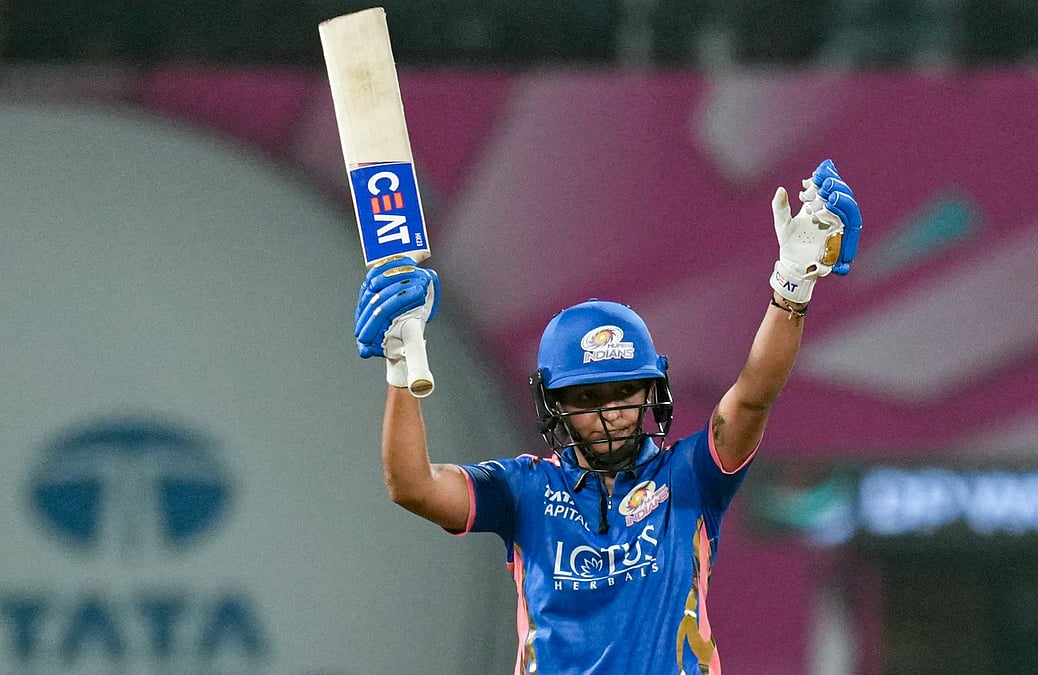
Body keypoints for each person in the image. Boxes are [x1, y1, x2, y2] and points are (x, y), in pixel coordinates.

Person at [353, 160, 862, 674]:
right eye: (587, 398)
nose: (611, 413)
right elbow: (412, 486)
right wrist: (401, 366)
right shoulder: (523, 490)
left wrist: (792, 288)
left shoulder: (690, 477)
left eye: (624, 391)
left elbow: (753, 397)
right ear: (554, 404)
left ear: (652, 390)